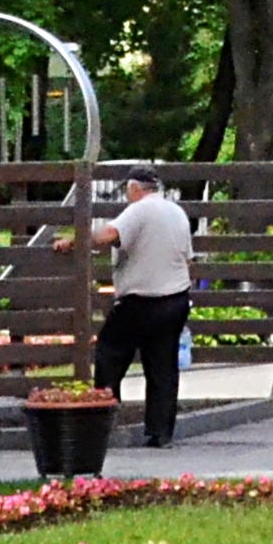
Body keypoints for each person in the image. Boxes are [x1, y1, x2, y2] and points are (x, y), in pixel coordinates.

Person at [93, 173, 194, 448]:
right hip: (175, 298)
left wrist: (77, 242)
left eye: (128, 191)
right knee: (163, 366)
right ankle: (160, 432)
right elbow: (188, 259)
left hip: (140, 300)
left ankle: (103, 420)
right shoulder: (177, 212)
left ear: (135, 188)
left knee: (108, 355)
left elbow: (110, 234)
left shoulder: (138, 210)